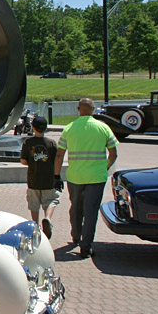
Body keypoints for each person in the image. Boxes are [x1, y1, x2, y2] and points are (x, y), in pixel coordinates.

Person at [54, 98, 119, 259]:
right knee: (91, 212)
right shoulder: (103, 127)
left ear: (78, 109)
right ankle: (86, 246)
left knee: (76, 208)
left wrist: (56, 175)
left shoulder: (69, 128)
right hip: (96, 176)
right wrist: (104, 167)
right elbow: (113, 153)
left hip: (75, 176)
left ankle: (76, 236)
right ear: (93, 109)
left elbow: (60, 154)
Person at [20, 116, 59, 239]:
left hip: (33, 179)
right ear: (46, 128)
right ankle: (47, 218)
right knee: (51, 200)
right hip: (49, 179)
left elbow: (23, 161)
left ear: (33, 127)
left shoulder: (28, 142)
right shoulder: (51, 143)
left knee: (34, 203)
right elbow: (56, 160)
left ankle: (35, 225)